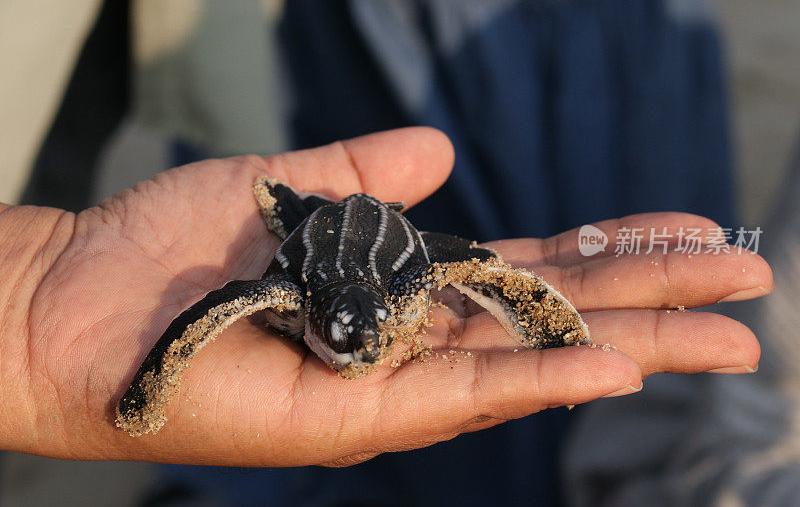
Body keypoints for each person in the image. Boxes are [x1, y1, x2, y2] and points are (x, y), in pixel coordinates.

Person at [0, 128, 767, 467]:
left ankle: (292, 203)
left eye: (356, 347)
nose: (353, 361)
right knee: (285, 224)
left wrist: (545, 322)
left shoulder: (405, 280)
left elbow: (468, 263)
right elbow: (209, 309)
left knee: (474, 264)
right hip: (320, 240)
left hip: (385, 240)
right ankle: (287, 204)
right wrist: (142, 391)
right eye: (343, 347)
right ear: (316, 325)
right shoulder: (290, 288)